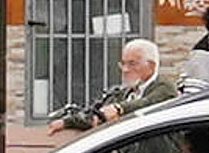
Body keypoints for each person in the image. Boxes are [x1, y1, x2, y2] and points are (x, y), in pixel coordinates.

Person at [47, 39, 176, 134]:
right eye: (123, 64)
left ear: (151, 66)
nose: (125, 70)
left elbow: (146, 104)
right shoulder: (125, 92)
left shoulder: (164, 87)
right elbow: (98, 114)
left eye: (132, 64)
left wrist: (119, 109)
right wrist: (66, 122)